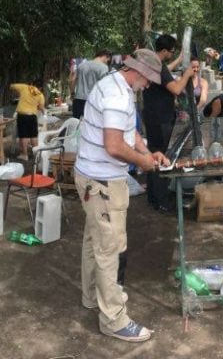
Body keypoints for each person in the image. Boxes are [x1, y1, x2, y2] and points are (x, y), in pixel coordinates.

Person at [75, 48, 169, 342]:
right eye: (149, 79)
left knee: (95, 240)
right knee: (110, 248)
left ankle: (92, 296)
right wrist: (143, 164)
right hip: (102, 181)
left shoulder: (117, 85)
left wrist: (146, 151)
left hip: (92, 177)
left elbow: (128, 134)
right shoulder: (117, 95)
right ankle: (114, 319)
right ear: (139, 72)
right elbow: (114, 146)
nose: (149, 85)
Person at [142, 34, 195, 213]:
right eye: (171, 52)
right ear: (164, 51)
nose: (172, 55)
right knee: (163, 157)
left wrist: (180, 59)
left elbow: (165, 72)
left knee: (152, 154)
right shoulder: (159, 66)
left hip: (150, 117)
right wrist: (187, 75)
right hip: (162, 118)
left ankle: (152, 196)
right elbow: (176, 88)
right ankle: (163, 201)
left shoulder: (152, 63)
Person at [69, 49, 111, 119]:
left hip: (78, 99)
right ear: (105, 56)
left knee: (76, 124)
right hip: (94, 101)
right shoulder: (104, 67)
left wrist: (72, 93)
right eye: (108, 60)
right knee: (92, 126)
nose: (107, 62)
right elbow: (105, 85)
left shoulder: (81, 65)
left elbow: (72, 80)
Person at [10, 79, 45, 160]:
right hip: (32, 116)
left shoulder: (24, 87)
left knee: (24, 135)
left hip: (23, 115)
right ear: (40, 87)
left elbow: (12, 86)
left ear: (32, 84)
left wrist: (18, 92)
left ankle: (24, 155)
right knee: (33, 135)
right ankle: (36, 155)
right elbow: (41, 107)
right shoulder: (40, 95)